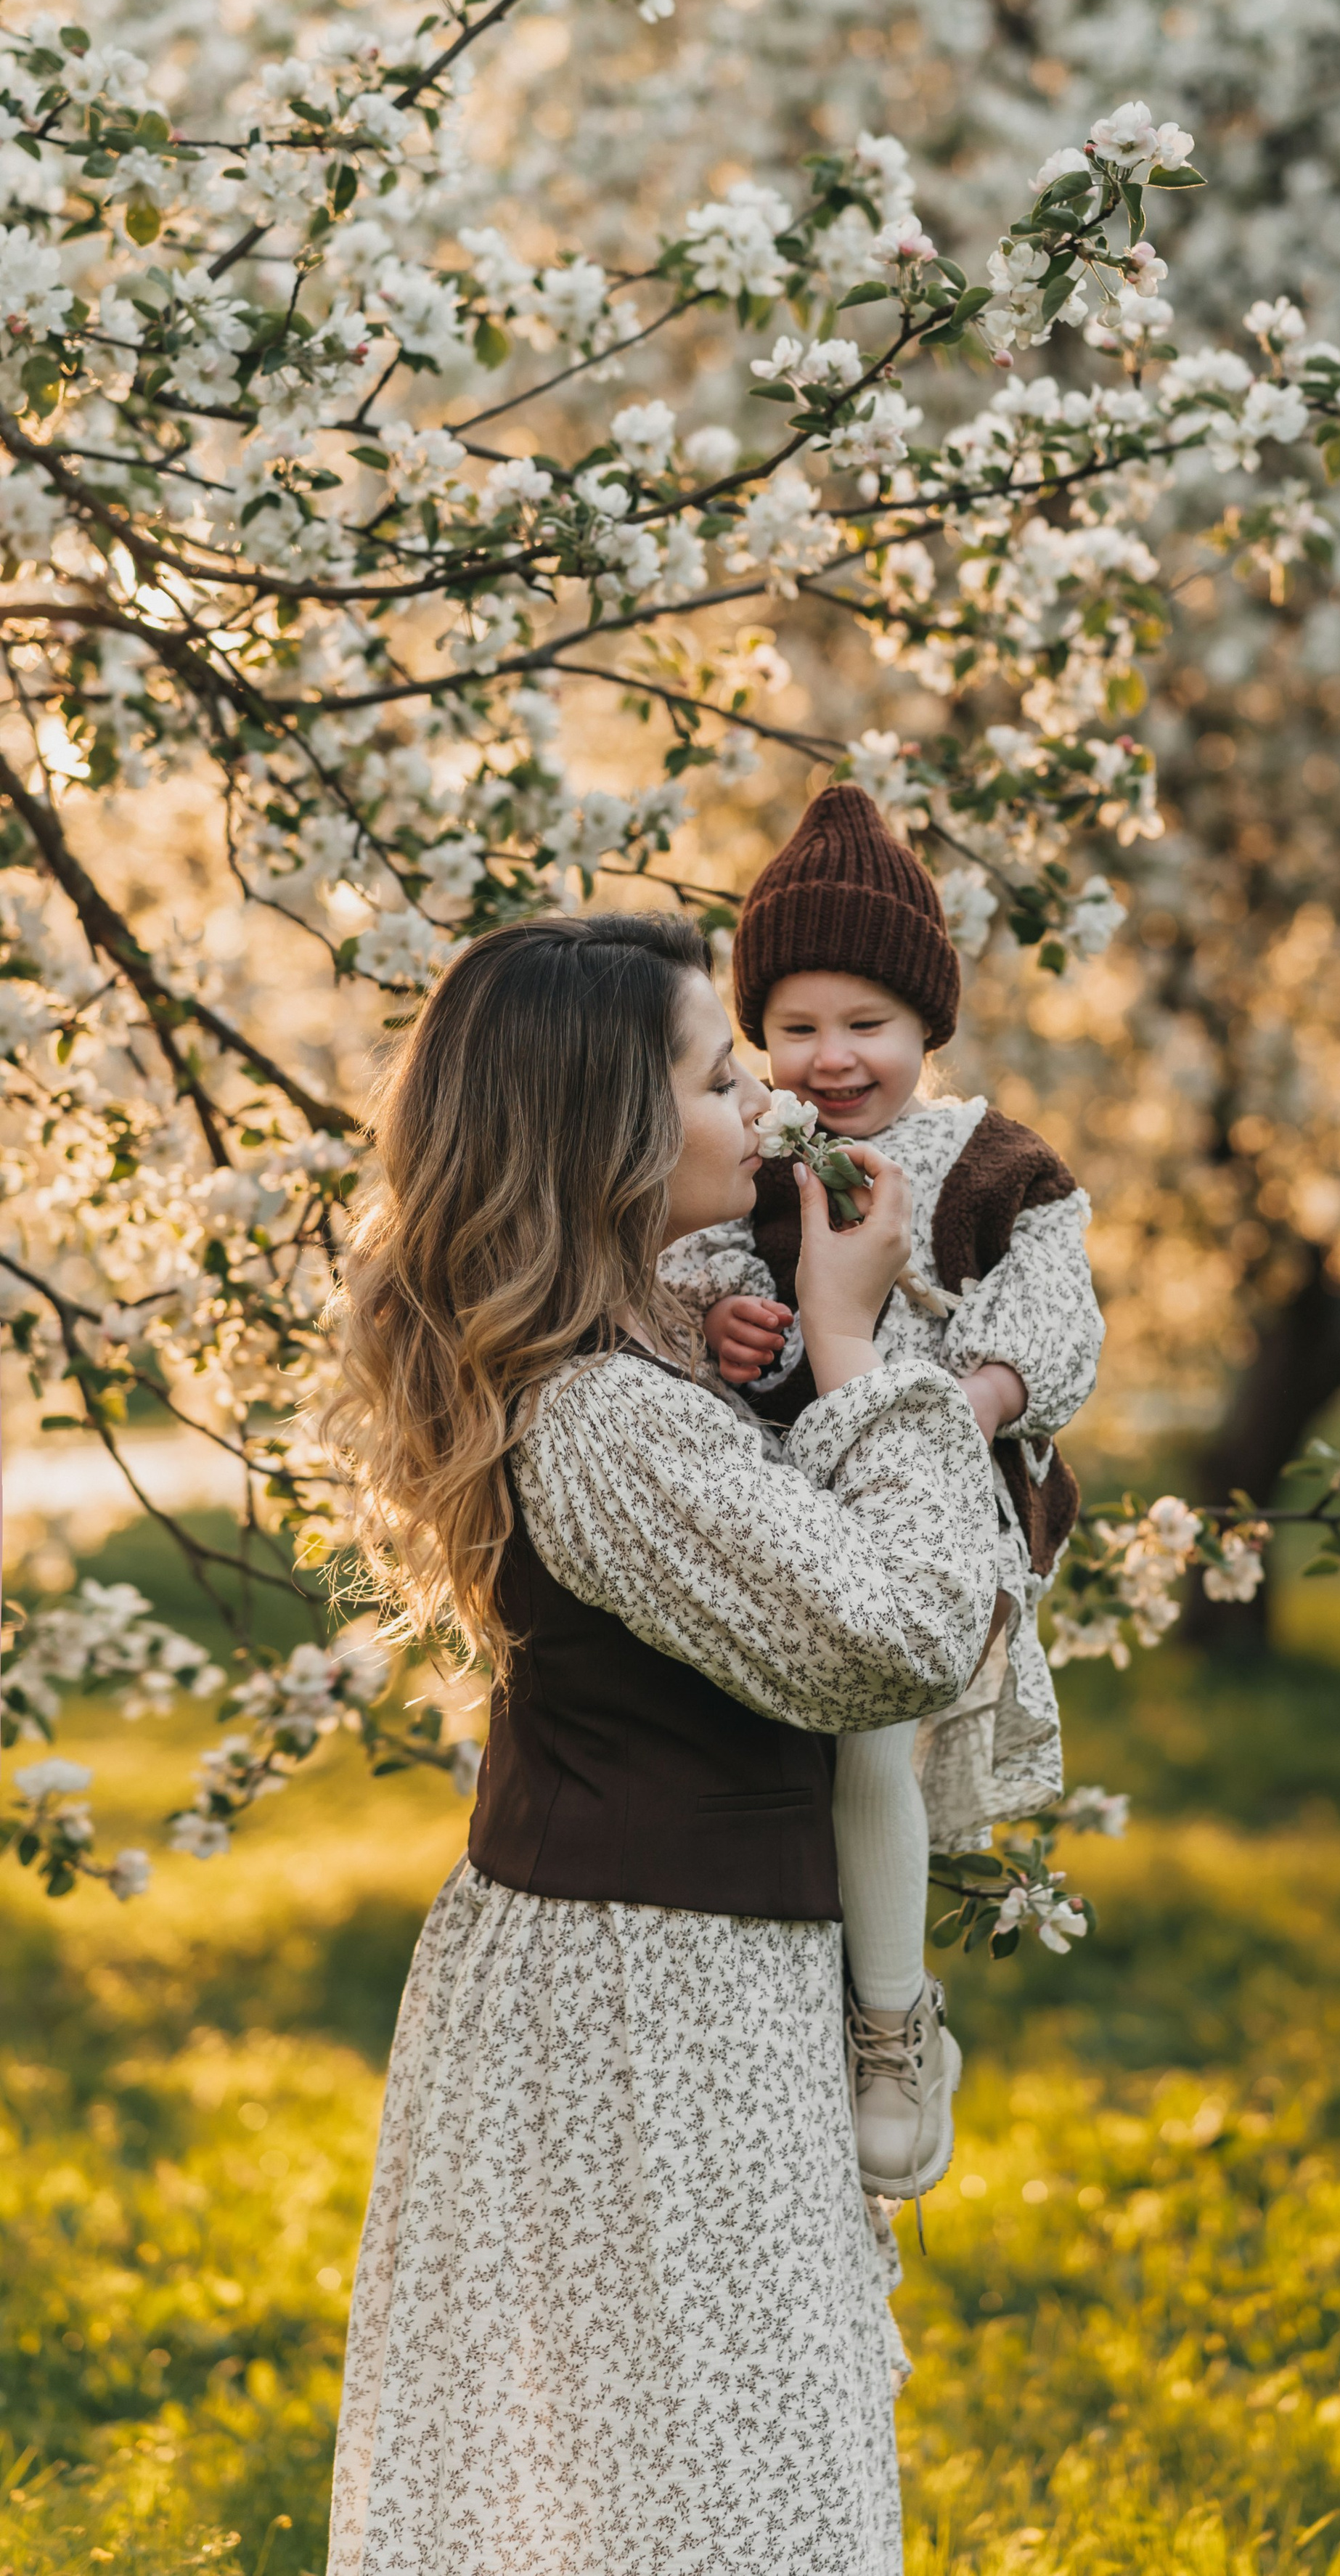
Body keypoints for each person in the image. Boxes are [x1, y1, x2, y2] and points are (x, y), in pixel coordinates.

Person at [322, 909, 1000, 2576]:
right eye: (718, 1079)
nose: (769, 1108)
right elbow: (900, 1634)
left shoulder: (640, 1358)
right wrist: (853, 1345)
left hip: (664, 1976)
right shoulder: (607, 1417)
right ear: (610, 1138)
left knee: (688, 2466)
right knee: (704, 2486)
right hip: (645, 1999)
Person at [659, 785, 1104, 2209]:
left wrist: (933, 1413)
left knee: (866, 1746)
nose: (829, 1057)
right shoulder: (753, 1161)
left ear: (926, 1027)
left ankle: (894, 2024)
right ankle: (762, 1991)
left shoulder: (996, 1166)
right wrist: (723, 1340)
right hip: (781, 1492)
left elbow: (1050, 1332)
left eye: (865, 1024)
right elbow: (688, 1291)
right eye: (792, 1028)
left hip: (929, 1508)